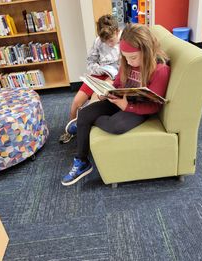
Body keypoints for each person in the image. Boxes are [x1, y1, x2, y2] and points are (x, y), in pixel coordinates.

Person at [61, 23, 171, 186]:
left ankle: (85, 125)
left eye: (133, 57)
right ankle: (82, 161)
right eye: (125, 57)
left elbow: (155, 106)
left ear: (147, 50)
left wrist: (127, 106)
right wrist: (108, 91)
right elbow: (118, 83)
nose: (128, 61)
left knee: (116, 126)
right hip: (120, 98)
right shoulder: (127, 62)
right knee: (83, 113)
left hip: (138, 108)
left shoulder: (160, 69)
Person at [59, 14, 121, 143]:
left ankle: (83, 124)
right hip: (99, 72)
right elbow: (90, 63)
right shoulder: (98, 41)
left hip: (114, 76)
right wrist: (101, 69)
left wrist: (112, 72)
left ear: (117, 31)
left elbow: (124, 68)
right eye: (105, 41)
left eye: (111, 40)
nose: (108, 44)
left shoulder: (125, 41)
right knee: (76, 102)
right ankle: (70, 129)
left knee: (94, 99)